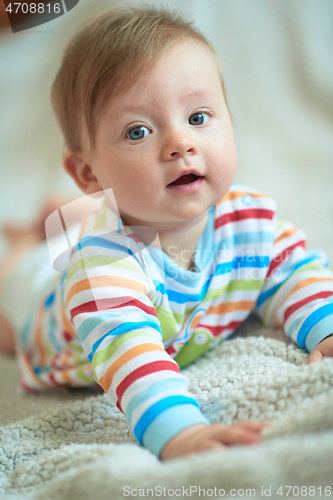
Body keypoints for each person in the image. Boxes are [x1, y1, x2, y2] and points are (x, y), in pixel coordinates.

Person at [1, 7, 333, 460]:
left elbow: (296, 273)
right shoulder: (101, 270)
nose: (181, 142)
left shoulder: (248, 222)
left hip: (101, 224)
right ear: (87, 171)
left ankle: (61, 215)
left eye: (199, 117)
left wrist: (326, 329)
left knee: (86, 225)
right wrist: (180, 433)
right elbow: (132, 359)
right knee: (13, 302)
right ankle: (24, 245)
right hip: (48, 308)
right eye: (139, 131)